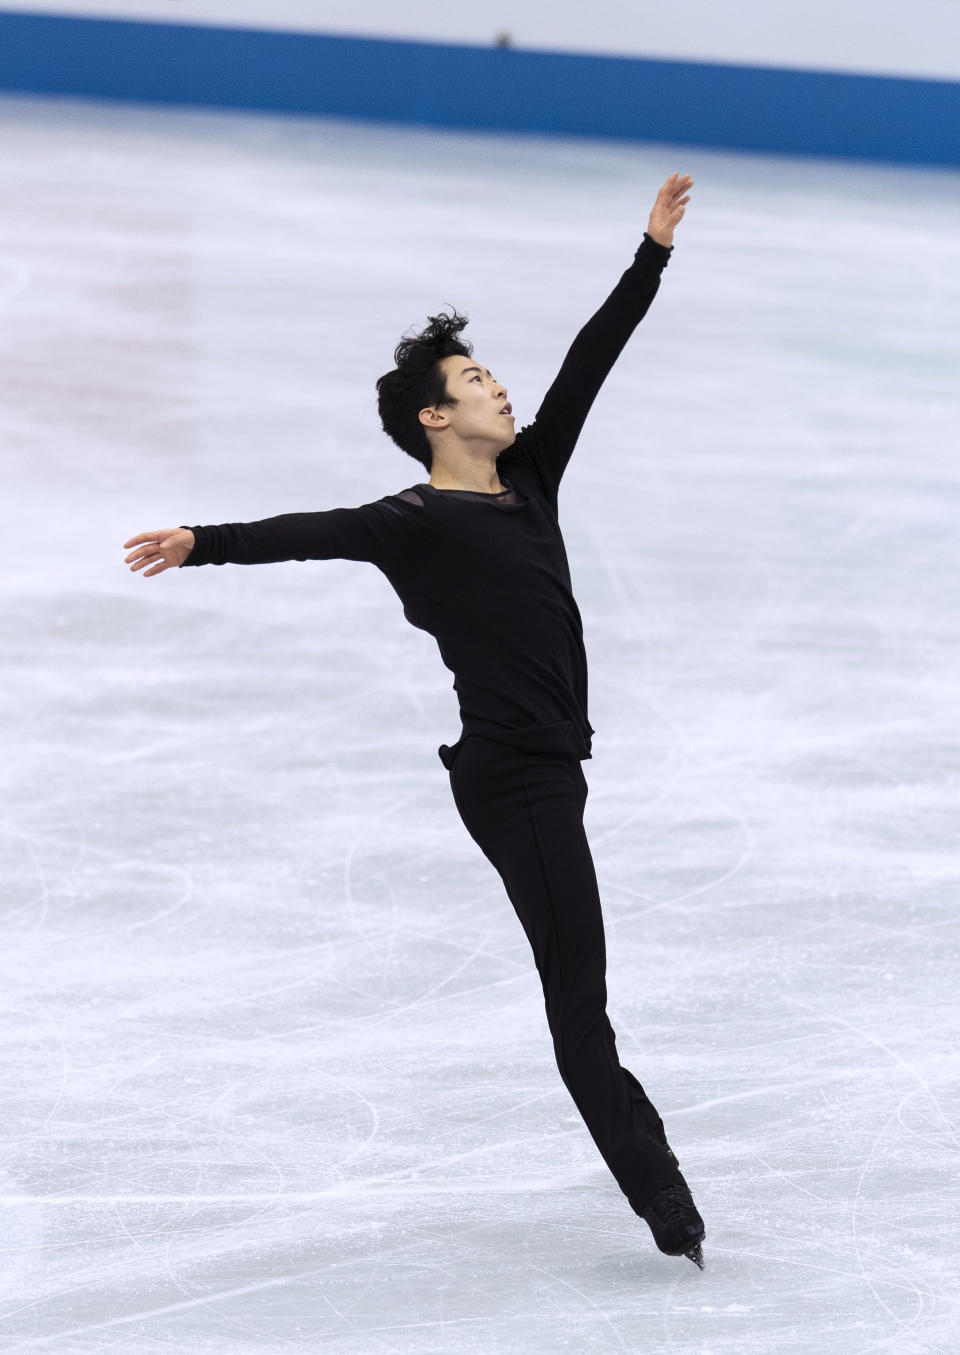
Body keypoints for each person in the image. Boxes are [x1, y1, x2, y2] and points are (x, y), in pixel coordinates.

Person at [123, 172, 705, 1269]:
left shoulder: (530, 478)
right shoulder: (412, 521)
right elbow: (305, 529)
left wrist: (650, 253)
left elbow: (592, 360)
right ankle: (664, 1195)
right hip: (512, 778)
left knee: (580, 987)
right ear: (436, 415)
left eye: (494, 375)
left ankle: (659, 1185)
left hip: (554, 770)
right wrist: (203, 537)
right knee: (579, 995)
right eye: (478, 380)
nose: (503, 390)